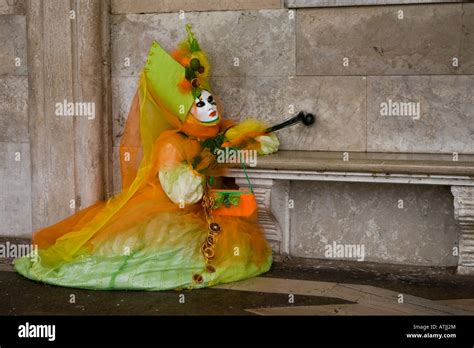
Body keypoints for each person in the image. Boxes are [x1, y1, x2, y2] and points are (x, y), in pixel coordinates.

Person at [15, 25, 279, 290]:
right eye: (199, 104)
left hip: (209, 211)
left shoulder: (218, 132)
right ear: (182, 113)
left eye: (209, 101)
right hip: (171, 213)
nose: (209, 107)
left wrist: (246, 138)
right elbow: (180, 195)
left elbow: (261, 142)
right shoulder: (172, 143)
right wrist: (199, 168)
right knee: (177, 251)